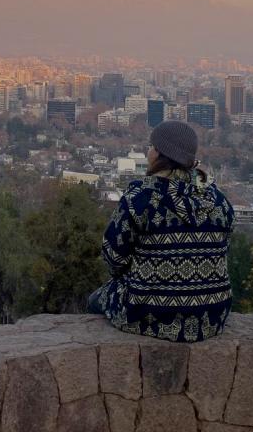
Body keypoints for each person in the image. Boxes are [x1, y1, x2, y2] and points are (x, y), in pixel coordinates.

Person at [88, 120, 236, 342]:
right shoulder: (218, 201)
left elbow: (113, 257)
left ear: (159, 154)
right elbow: (222, 248)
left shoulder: (141, 198)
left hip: (147, 312)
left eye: (151, 147)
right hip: (213, 314)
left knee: (95, 299)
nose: (148, 152)